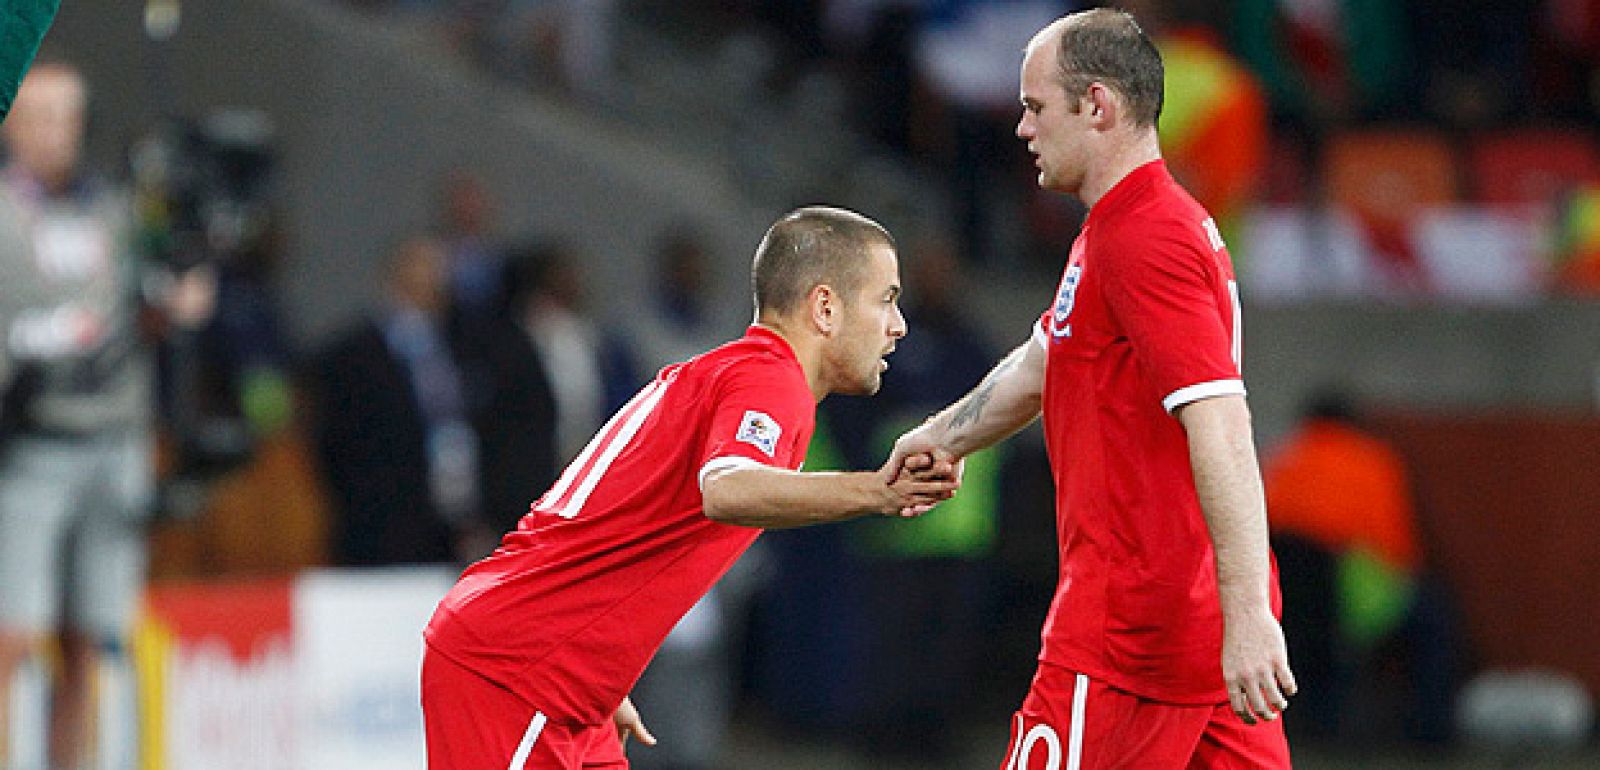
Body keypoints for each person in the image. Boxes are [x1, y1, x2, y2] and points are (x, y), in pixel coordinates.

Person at [889, 10, 1295, 768]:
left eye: (1036, 106)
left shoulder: (1148, 238)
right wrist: (943, 436)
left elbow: (1220, 420)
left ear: (1098, 106)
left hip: (1128, 642)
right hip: (1193, 631)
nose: (1020, 128)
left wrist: (1247, 619)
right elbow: (1048, 358)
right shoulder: (1125, 229)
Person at [421, 206, 959, 769]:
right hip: (519, 668)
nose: (898, 325)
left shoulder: (727, 372)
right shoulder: (769, 381)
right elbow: (728, 490)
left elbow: (607, 508)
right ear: (825, 307)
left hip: (564, 674)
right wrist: (878, 491)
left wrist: (605, 672)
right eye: (886, 300)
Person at [0, 54, 211, 769]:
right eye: (39, 115)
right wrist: (51, 336)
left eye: (67, 116)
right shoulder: (4, 212)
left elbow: (145, 301)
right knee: (9, 634)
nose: (55, 132)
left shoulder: (113, 210)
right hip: (28, 442)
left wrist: (169, 301)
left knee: (88, 639)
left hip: (112, 438)